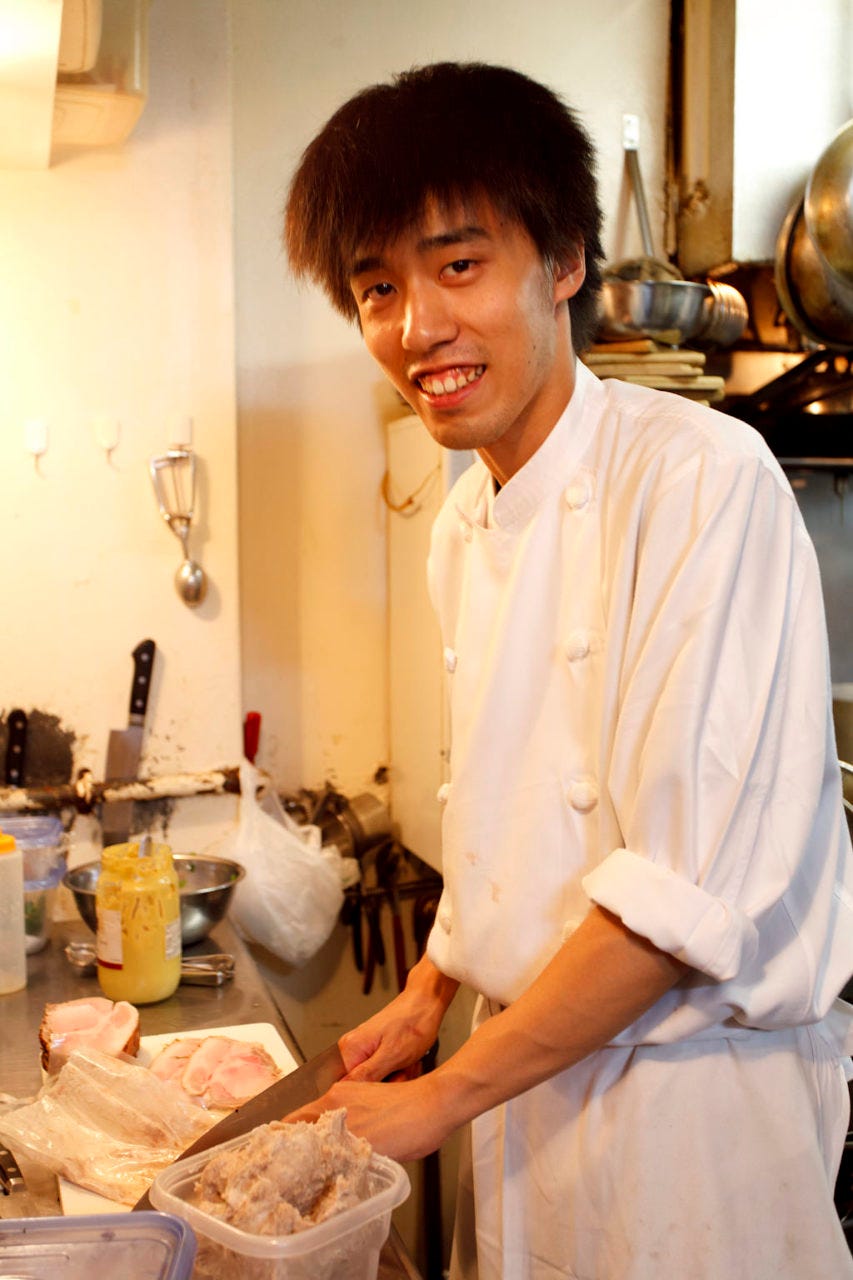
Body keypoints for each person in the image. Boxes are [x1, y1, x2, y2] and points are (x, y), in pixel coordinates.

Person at [283, 61, 853, 1278]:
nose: (416, 328)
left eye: (457, 265)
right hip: (527, 1081)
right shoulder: (460, 524)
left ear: (562, 262)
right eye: (377, 288)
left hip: (690, 1118)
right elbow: (513, 807)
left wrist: (439, 1099)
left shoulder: (701, 479)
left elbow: (673, 902)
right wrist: (432, 985)